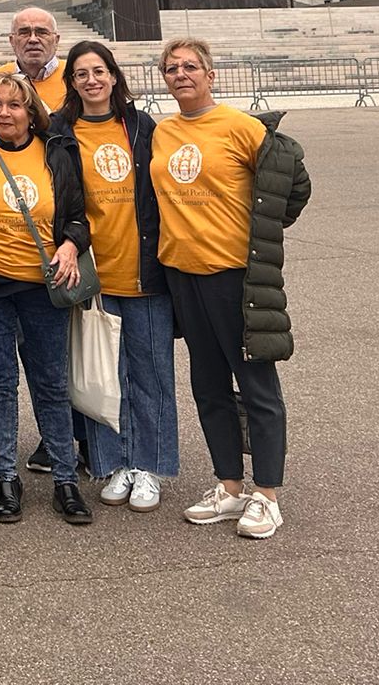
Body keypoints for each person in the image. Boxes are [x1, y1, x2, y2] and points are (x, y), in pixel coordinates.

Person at [151, 37, 310, 541]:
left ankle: (268, 495)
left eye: (191, 66)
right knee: (209, 386)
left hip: (234, 275)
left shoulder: (242, 127)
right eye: (172, 68)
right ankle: (229, 485)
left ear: (211, 75)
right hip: (182, 273)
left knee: (257, 384)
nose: (182, 74)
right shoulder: (162, 133)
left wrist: (260, 229)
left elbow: (294, 186)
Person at [0, 73, 92, 527]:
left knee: (50, 384)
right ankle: (5, 476)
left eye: (14, 105)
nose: (5, 113)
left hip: (42, 288)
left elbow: (77, 216)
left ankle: (66, 478)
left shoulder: (56, 154)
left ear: (31, 111)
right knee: (0, 384)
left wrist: (70, 243)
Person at [49, 40, 176, 512]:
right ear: (72, 83)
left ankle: (150, 466)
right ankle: (112, 463)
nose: (91, 81)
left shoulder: (142, 126)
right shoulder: (60, 132)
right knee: (102, 375)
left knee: (151, 374)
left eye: (98, 71)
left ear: (114, 76)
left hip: (143, 268)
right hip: (91, 272)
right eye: (81, 74)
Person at [0, 7, 68, 115]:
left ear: (56, 40)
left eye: (42, 32)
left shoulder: (76, 76)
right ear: (12, 41)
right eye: (24, 33)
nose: (33, 39)